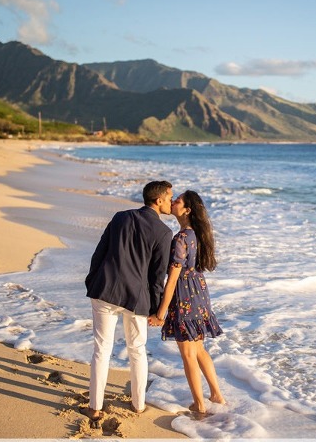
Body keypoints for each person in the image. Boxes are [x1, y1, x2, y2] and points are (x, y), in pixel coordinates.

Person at [82, 180, 174, 422]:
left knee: (101, 350)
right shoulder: (164, 233)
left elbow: (99, 253)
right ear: (158, 200)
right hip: (137, 299)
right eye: (169, 198)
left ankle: (95, 407)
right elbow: (157, 276)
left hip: (105, 289)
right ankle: (138, 405)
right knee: (137, 351)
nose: (171, 203)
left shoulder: (120, 217)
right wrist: (156, 309)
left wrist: (93, 281)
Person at [149, 190, 226, 414]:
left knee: (189, 354)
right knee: (199, 349)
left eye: (178, 200)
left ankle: (200, 405)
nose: (173, 201)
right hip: (200, 293)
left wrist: (161, 313)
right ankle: (216, 395)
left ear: (187, 210)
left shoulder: (181, 238)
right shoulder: (197, 235)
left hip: (184, 295)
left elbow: (172, 279)